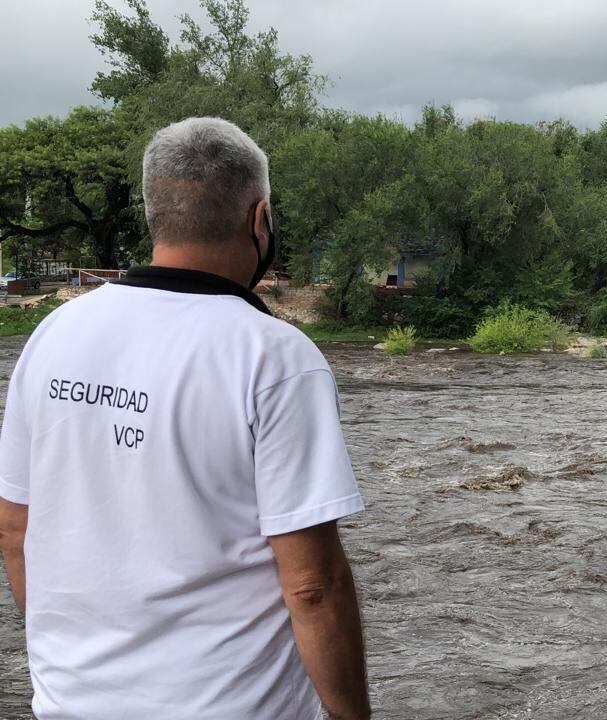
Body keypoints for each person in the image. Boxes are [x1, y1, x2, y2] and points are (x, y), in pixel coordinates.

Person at [0, 117, 370, 719]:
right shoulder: (274, 355)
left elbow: (15, 530)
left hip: (70, 702)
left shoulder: (53, 335)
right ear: (260, 220)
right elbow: (313, 585)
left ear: (154, 213)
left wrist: (71, 667)